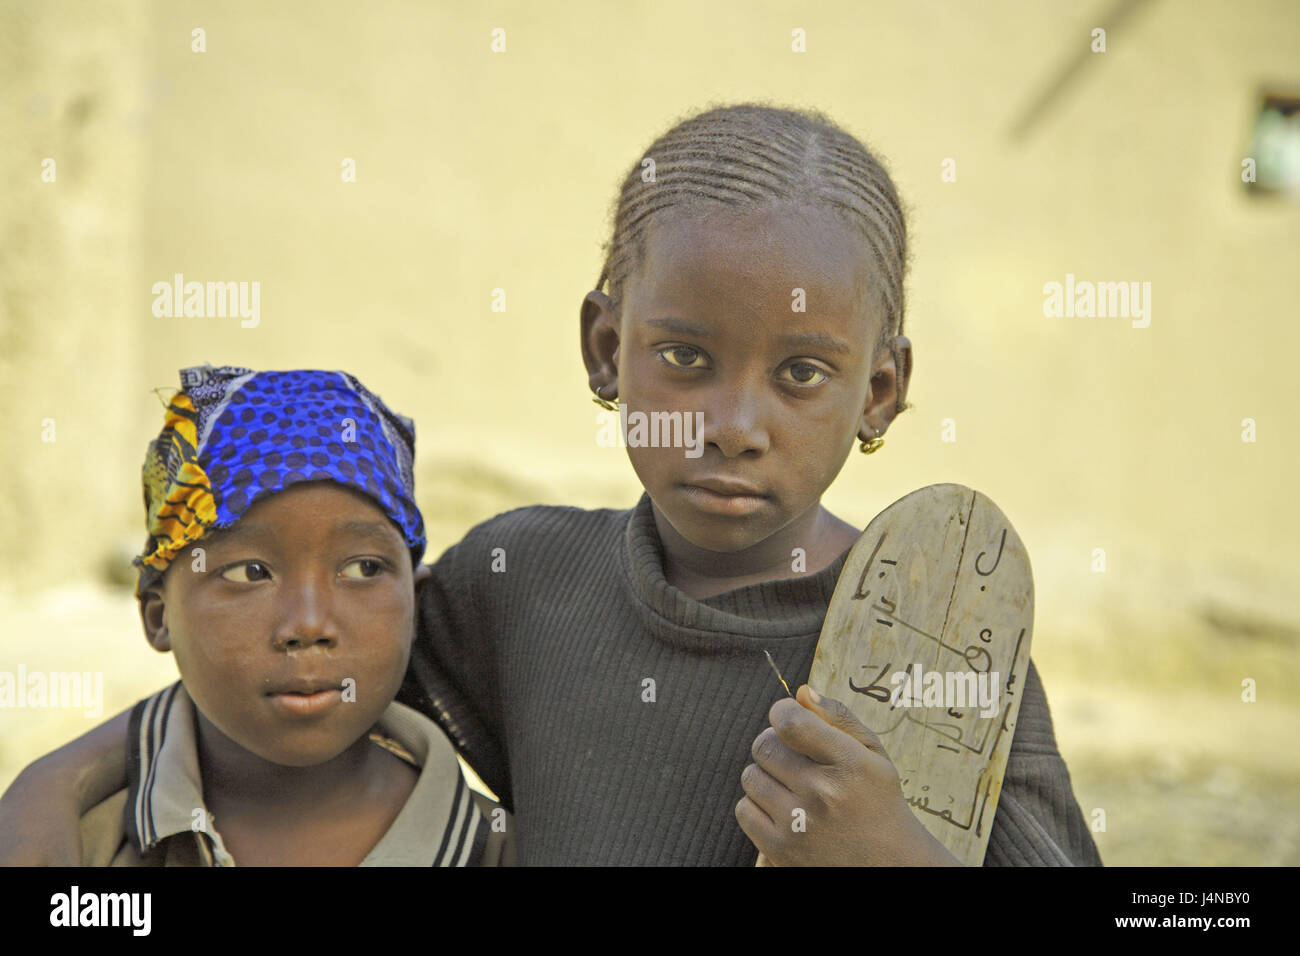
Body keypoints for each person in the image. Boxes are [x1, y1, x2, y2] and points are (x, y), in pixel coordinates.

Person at [1, 104, 1098, 866]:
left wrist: (898, 855)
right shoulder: (522, 579)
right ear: (603, 347)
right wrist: (62, 780)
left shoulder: (942, 637)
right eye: (684, 356)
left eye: (802, 372)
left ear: (881, 389)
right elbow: (306, 655)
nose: (732, 424)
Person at [72, 365, 510, 865]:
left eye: (363, 567)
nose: (307, 625)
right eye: (249, 573)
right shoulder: (80, 849)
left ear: (415, 605)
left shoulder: (499, 850)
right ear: (158, 616)